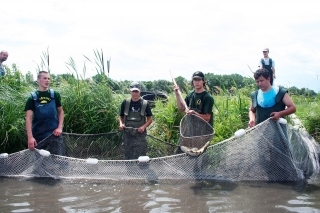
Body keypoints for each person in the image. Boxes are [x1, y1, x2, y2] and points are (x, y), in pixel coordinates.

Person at [25, 71, 65, 155]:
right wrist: (30, 137)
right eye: (44, 78)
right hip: (38, 135)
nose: (47, 80)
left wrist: (60, 128)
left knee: (60, 160)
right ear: (38, 80)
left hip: (55, 134)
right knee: (39, 162)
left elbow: (61, 112)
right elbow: (28, 119)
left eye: (48, 78)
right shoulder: (32, 98)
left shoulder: (55, 95)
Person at [119, 81, 153, 159]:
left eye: (136, 91)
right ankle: (129, 166)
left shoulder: (145, 103)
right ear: (130, 91)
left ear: (140, 91)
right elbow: (121, 116)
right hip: (127, 133)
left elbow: (150, 119)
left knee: (141, 153)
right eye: (133, 91)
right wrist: (121, 124)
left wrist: (143, 127)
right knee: (127, 152)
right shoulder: (125, 102)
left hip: (140, 133)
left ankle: (142, 168)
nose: (135, 93)